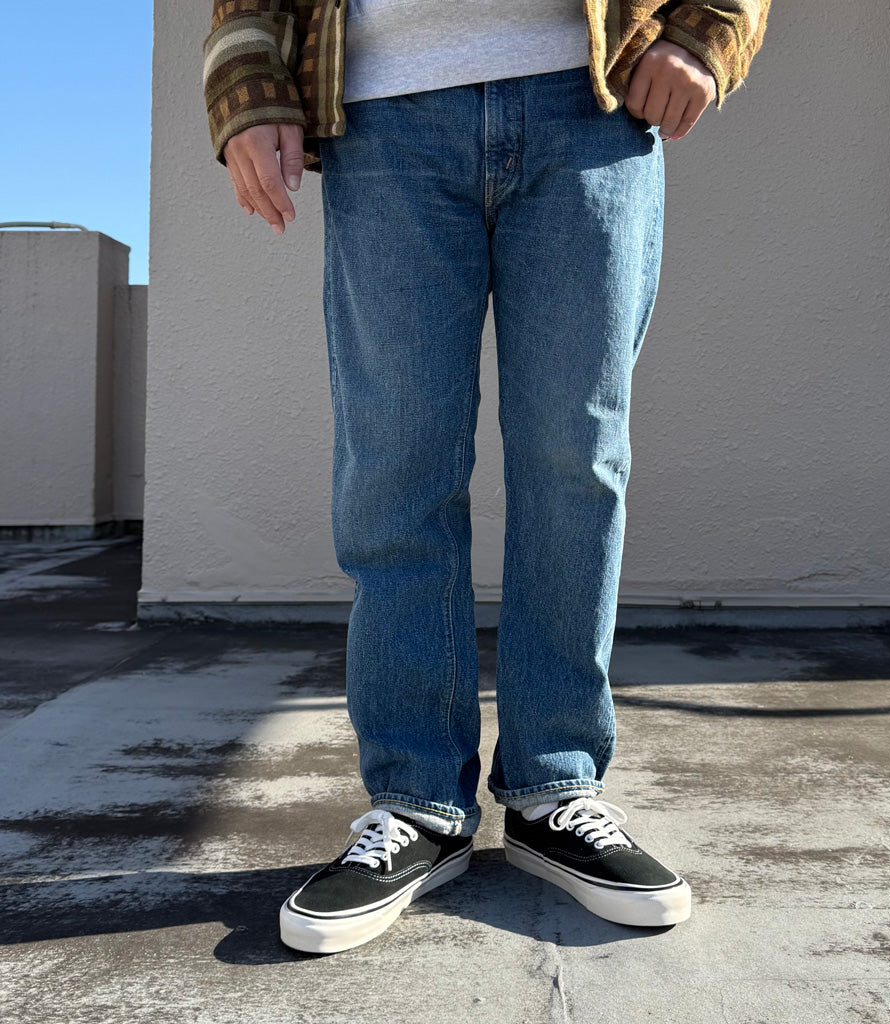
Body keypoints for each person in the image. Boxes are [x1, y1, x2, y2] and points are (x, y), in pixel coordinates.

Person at [203, 0, 770, 955]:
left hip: (591, 103)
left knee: (575, 460)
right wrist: (246, 87)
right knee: (397, 466)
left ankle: (555, 784)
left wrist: (704, 29)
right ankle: (416, 800)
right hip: (384, 113)